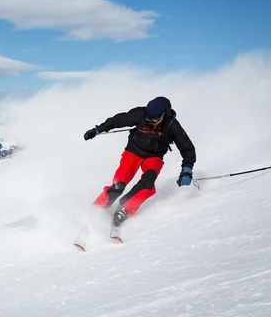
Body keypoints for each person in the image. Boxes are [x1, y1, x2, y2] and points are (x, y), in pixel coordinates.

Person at [83, 96, 196, 229]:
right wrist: (97, 130)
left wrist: (186, 170)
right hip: (133, 151)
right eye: (149, 119)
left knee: (147, 184)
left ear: (164, 115)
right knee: (119, 183)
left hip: (154, 157)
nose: (152, 122)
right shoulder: (140, 114)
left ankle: (124, 209)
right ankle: (98, 208)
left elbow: (188, 149)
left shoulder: (172, 125)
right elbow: (117, 121)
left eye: (156, 119)